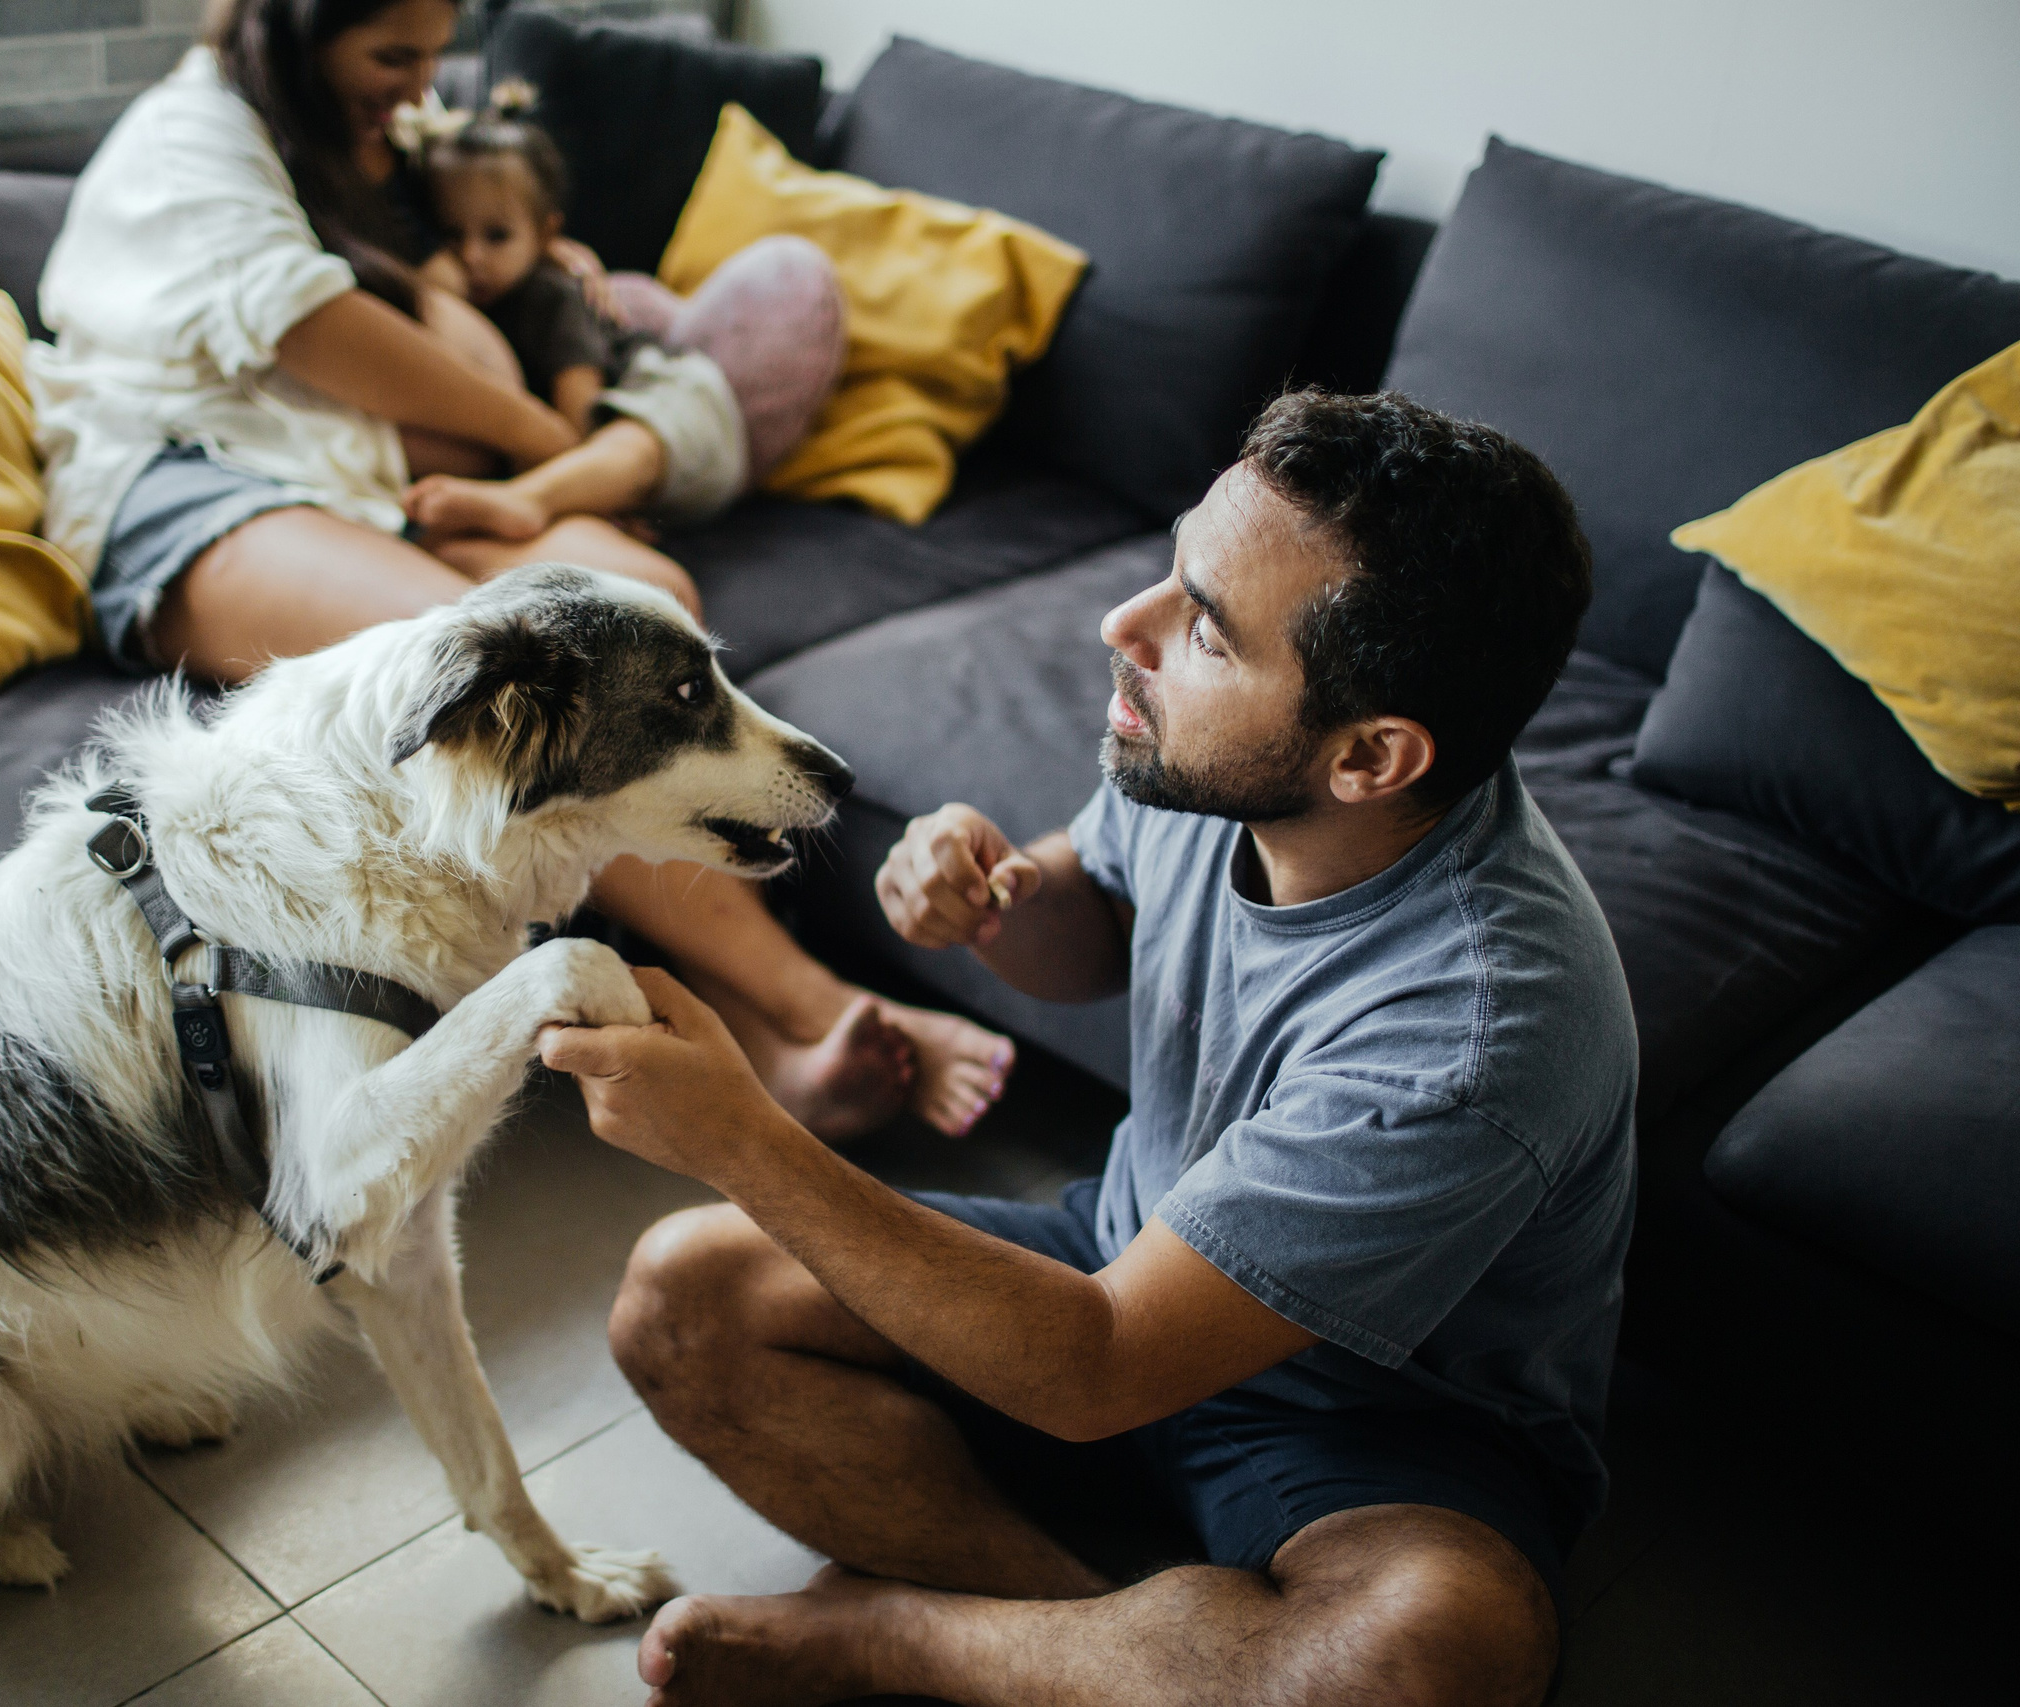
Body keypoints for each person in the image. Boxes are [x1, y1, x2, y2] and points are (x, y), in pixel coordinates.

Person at [542, 391, 1637, 1707]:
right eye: (1174, 567)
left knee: (1428, 1656)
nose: (1127, 624)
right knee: (683, 1294)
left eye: (1204, 627)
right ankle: (1086, 1641)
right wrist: (997, 903)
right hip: (1126, 1252)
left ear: (1370, 756)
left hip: (1372, 1420)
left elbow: (1098, 1366)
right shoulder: (1206, 748)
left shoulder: (1474, 1031)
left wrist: (741, 1139)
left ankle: (897, 1634)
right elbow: (1096, 925)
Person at [27, 0, 1012, 1140]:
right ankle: (813, 1004)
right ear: (292, 29)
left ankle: (751, 1040)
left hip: (365, 484)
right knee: (527, 684)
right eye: (393, 55)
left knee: (643, 604)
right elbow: (312, 327)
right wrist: (543, 439)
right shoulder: (189, 132)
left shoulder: (365, 140)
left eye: (433, 52)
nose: (420, 84)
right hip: (191, 487)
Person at [400, 87, 756, 542]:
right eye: (452, 234)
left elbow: (577, 424)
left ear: (546, 234)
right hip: (625, 466)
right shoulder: (470, 304)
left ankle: (533, 501)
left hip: (677, 396)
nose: (471, 256)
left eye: (497, 236)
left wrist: (585, 498)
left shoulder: (554, 299)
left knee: (630, 443)